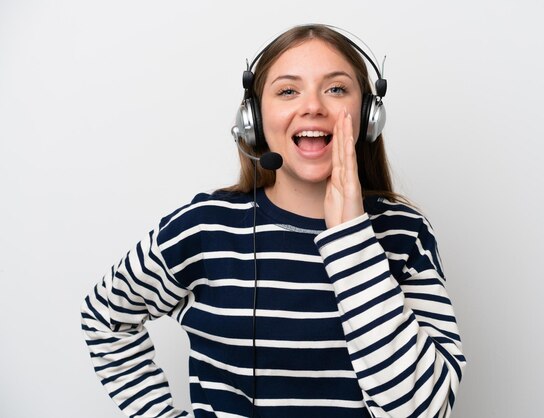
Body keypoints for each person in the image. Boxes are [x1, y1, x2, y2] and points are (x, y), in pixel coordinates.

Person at [81, 23, 466, 418]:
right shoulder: (203, 228)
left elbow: (423, 411)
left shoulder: (404, 233)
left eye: (336, 89)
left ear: (369, 115)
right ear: (254, 119)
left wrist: (352, 240)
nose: (313, 106)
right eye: (287, 90)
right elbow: (104, 318)